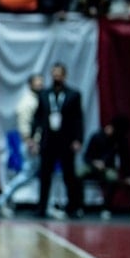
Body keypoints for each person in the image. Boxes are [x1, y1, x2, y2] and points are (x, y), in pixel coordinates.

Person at [31, 62, 85, 219]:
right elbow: (38, 117)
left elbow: (78, 119)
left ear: (64, 75)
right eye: (54, 74)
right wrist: (34, 138)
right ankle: (42, 207)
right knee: (45, 175)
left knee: (69, 175)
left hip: (65, 140)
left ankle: (73, 207)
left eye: (59, 74)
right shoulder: (44, 94)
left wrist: (78, 139)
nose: (56, 76)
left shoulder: (73, 95)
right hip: (48, 140)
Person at [0, 73, 44, 218]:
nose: (40, 85)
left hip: (36, 143)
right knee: (26, 174)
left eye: (41, 82)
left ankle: (44, 204)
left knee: (34, 175)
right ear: (30, 84)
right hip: (31, 144)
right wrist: (30, 141)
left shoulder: (37, 100)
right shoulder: (28, 102)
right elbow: (24, 125)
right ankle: (3, 197)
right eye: (37, 82)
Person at [79, 115, 130, 211]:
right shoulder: (96, 136)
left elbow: (125, 160)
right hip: (92, 166)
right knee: (78, 173)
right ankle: (78, 205)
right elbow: (86, 157)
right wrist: (94, 163)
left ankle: (106, 207)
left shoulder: (119, 140)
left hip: (107, 168)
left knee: (113, 177)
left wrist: (128, 175)